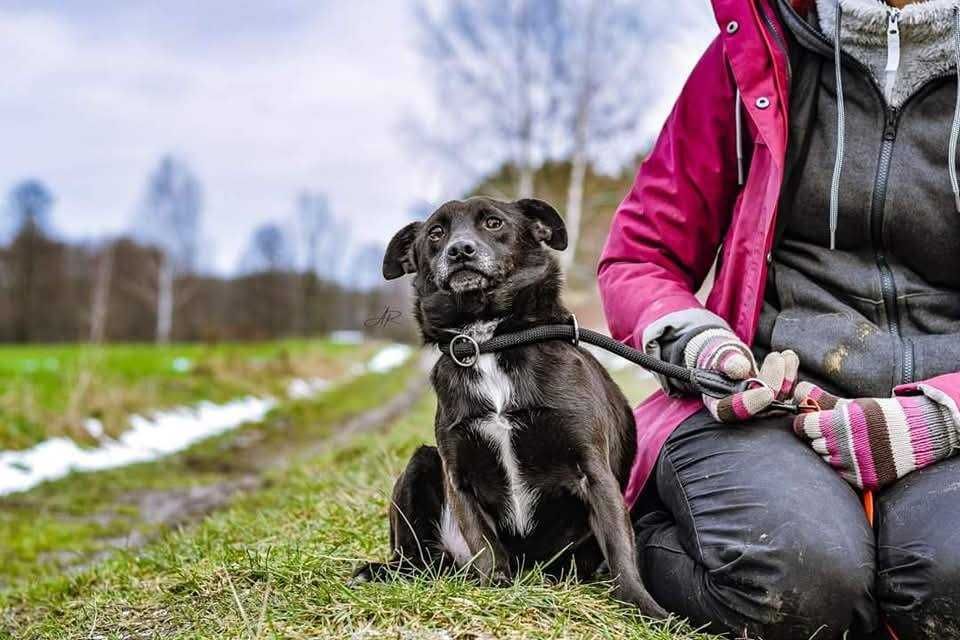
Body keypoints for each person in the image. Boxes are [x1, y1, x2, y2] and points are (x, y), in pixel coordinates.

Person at [598, 1, 960, 638]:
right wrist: (698, 344)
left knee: (947, 586)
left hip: (946, 420)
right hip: (766, 409)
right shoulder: (752, 57)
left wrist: (944, 414)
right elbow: (641, 256)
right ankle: (630, 539)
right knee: (799, 583)